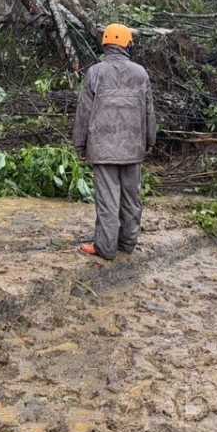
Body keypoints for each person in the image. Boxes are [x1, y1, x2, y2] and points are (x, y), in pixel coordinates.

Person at [73, 23, 157, 260]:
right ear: (128, 44)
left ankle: (105, 248)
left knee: (108, 201)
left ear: (106, 44)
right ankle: (127, 244)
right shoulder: (141, 73)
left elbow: (84, 112)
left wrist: (80, 145)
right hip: (133, 147)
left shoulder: (95, 72)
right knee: (132, 198)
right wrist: (150, 139)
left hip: (102, 149)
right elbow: (149, 110)